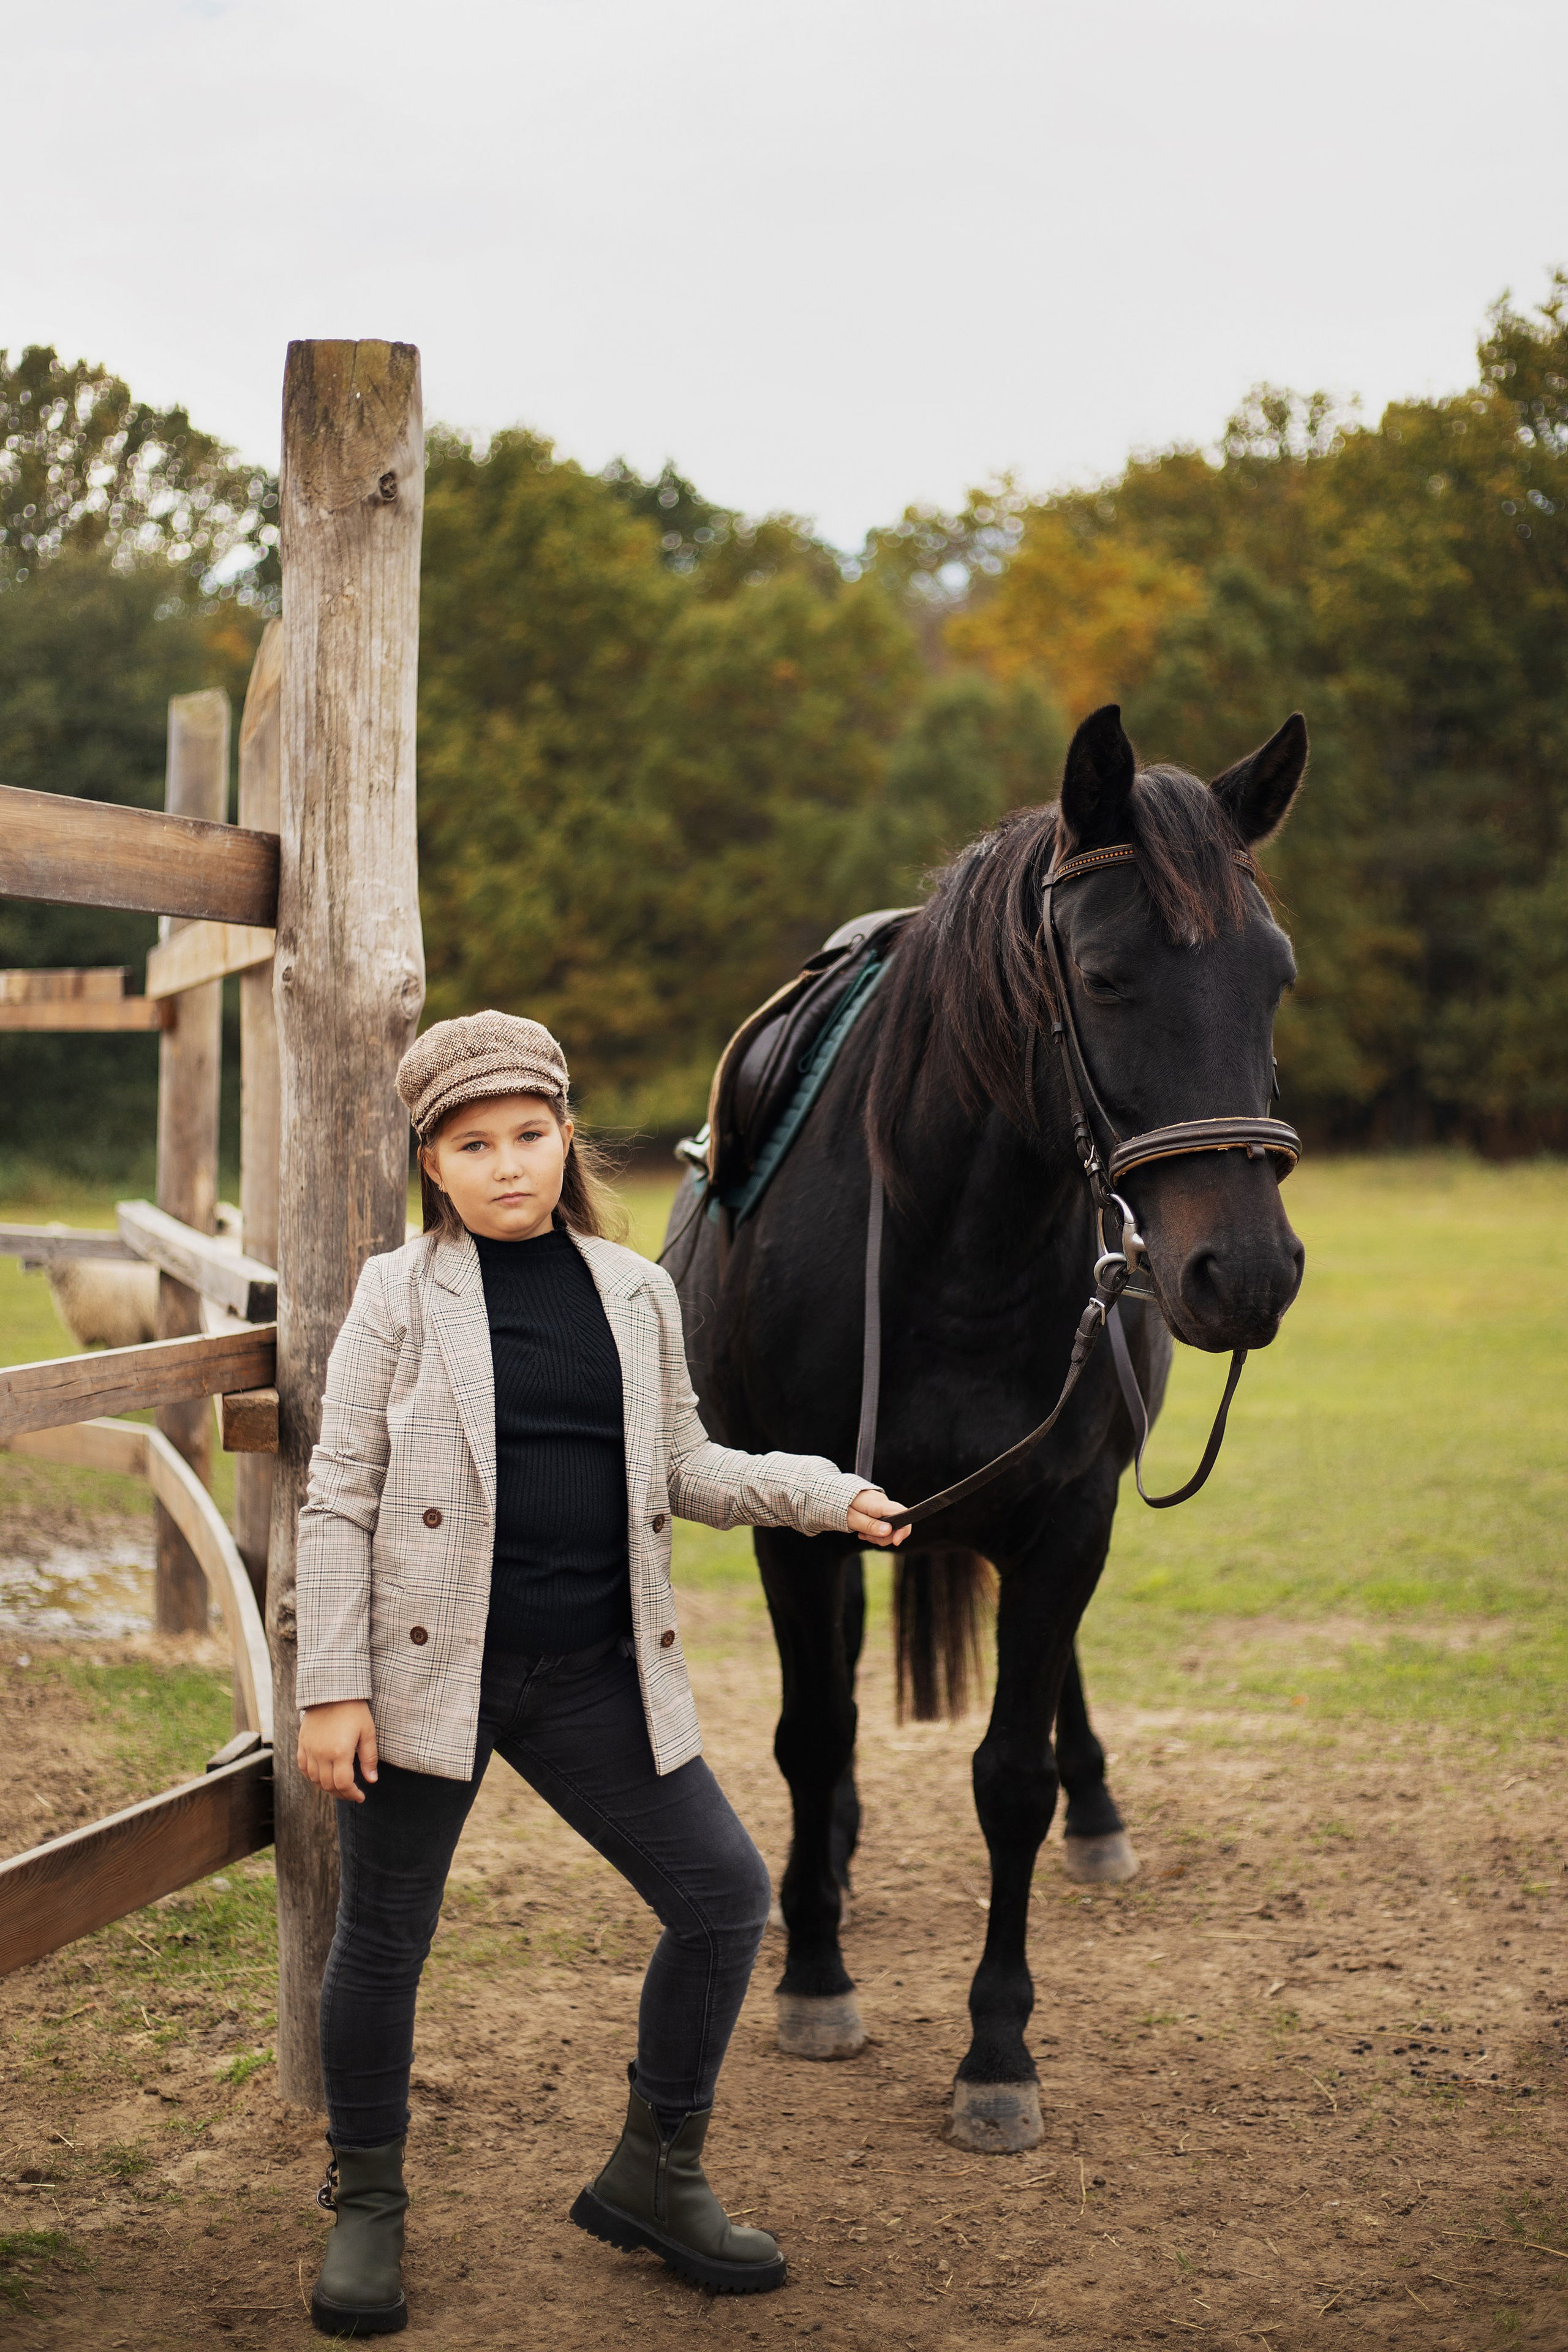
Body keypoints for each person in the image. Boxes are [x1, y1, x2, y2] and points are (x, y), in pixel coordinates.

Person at [294, 1010, 908, 2337]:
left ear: (564, 1137)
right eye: (473, 1144)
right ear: (432, 1162)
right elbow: (338, 1496)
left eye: (528, 1134)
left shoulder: (633, 1290)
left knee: (725, 1900)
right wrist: (330, 1686)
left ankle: (655, 2170)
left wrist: (819, 1492)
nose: (507, 1164)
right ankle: (368, 2205)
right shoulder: (398, 1295)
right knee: (384, 1940)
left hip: (590, 1674)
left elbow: (685, 1462)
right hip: (421, 1677)